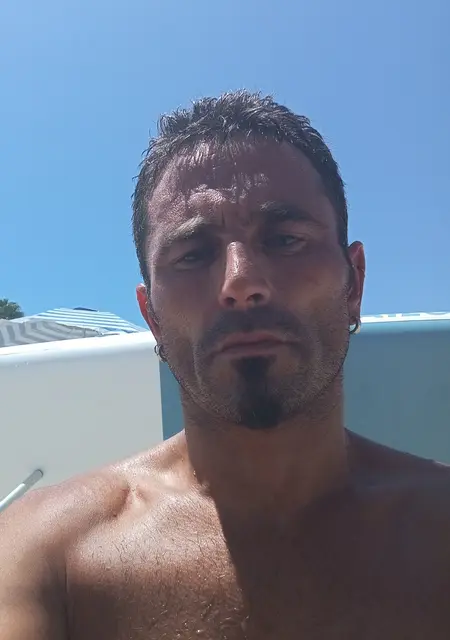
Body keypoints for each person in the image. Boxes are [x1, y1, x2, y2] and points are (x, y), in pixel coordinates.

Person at [1, 91, 449, 640]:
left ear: (353, 282)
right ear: (152, 316)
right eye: (193, 254)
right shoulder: (45, 556)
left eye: (285, 240)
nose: (241, 281)